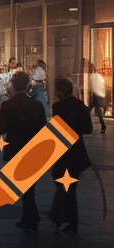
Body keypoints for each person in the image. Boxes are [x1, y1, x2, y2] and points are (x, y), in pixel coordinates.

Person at [0, 70, 47, 232]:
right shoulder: (37, 105)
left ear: (12, 84)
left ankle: (31, 217)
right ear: (27, 85)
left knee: (25, 186)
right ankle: (29, 217)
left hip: (15, 147)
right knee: (28, 185)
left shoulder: (7, 105)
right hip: (32, 147)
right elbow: (43, 128)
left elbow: (1, 129)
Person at [48, 77, 92, 234]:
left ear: (59, 91)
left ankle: (60, 217)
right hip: (77, 152)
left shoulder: (58, 106)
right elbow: (88, 129)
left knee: (60, 184)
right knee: (70, 187)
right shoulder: (81, 106)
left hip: (63, 151)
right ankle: (70, 221)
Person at [87, 61, 106, 133]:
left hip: (95, 95)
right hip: (101, 95)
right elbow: (103, 86)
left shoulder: (91, 76)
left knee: (89, 110)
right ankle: (102, 125)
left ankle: (102, 125)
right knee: (97, 111)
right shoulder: (100, 77)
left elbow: (91, 86)